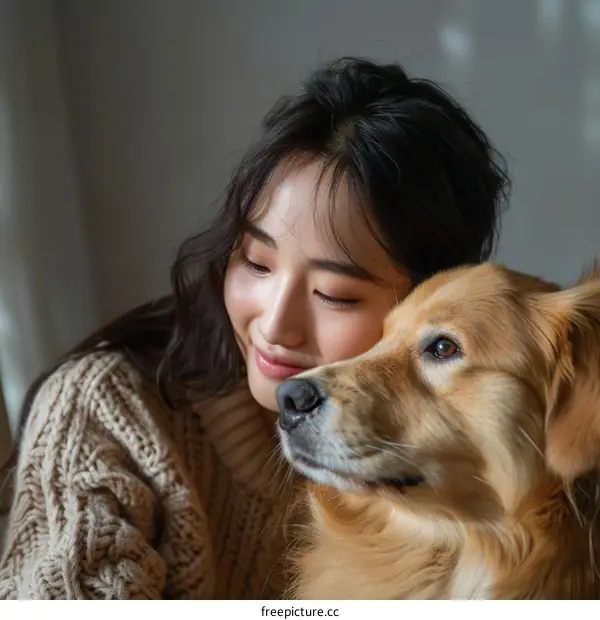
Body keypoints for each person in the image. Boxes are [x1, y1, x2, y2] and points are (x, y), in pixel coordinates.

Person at [0, 56, 510, 599]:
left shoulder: (448, 466)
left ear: (427, 303)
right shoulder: (107, 411)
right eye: (256, 263)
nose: (274, 325)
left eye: (333, 295)